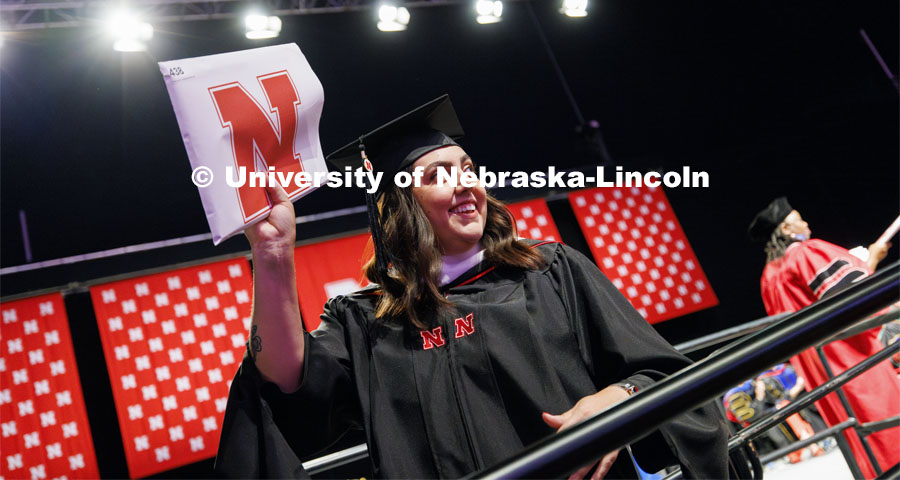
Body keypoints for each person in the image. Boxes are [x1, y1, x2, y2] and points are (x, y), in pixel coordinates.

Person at [215, 95, 728, 479]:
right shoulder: (369, 325)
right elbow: (287, 388)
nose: (466, 183)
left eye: (468, 169)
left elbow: (662, 372)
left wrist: (617, 399)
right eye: (438, 174)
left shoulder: (549, 272)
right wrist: (275, 255)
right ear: (401, 205)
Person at [749, 197, 899, 478]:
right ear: (785, 228)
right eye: (799, 218)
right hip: (848, 354)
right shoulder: (807, 252)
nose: (806, 222)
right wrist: (874, 259)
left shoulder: (769, 276)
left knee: (857, 435)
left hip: (816, 367)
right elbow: (851, 297)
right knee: (884, 421)